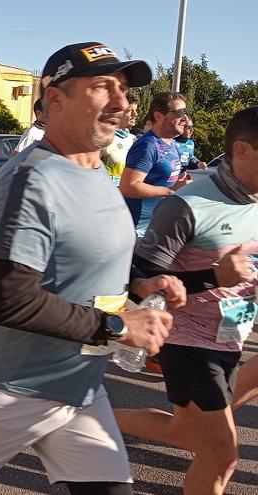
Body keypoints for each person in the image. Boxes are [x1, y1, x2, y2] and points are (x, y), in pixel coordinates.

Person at [0, 42, 183, 495]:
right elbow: (11, 300)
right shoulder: (30, 180)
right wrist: (117, 326)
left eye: (124, 90)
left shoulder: (95, 170)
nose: (121, 102)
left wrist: (140, 282)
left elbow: (90, 255)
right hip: (7, 384)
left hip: (78, 384)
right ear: (55, 99)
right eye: (102, 87)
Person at [114, 106, 258, 495]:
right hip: (187, 342)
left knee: (183, 431)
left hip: (231, 337)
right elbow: (140, 280)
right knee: (221, 455)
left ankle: (84, 420)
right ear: (242, 150)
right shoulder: (188, 204)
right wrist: (213, 277)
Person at [120, 92, 192, 236]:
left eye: (185, 112)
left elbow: (158, 180)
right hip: (136, 231)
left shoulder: (171, 143)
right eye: (179, 113)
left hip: (156, 228)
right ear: (158, 116)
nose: (185, 118)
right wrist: (171, 191)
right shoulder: (148, 145)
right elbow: (128, 186)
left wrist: (178, 184)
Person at [101, 94, 139, 185]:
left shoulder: (134, 140)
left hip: (126, 192)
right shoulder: (105, 138)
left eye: (136, 110)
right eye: (130, 111)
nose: (135, 114)